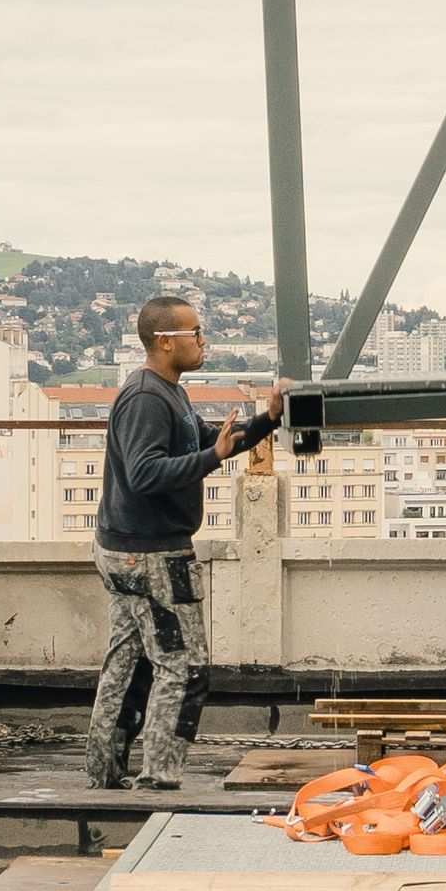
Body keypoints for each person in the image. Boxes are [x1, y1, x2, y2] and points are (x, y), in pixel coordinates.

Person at [85, 295, 284, 792]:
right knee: (184, 667)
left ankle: (103, 772)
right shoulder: (148, 398)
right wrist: (211, 460)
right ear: (164, 342)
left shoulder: (167, 391)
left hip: (125, 549)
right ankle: (160, 778)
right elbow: (144, 472)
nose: (203, 341)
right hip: (152, 555)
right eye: (195, 333)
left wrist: (267, 419)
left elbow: (207, 441)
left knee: (128, 662)